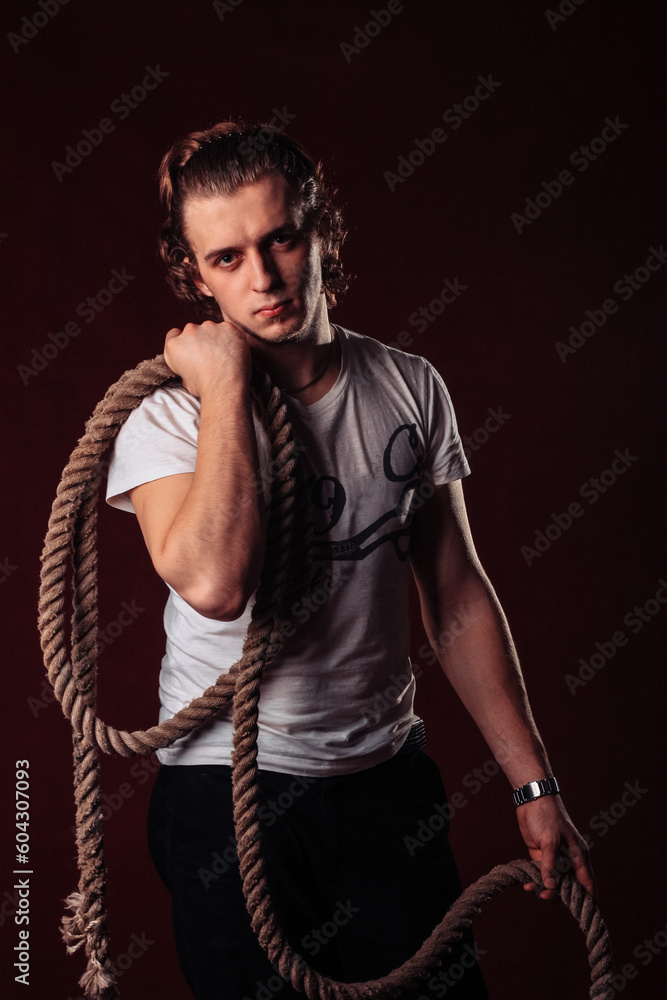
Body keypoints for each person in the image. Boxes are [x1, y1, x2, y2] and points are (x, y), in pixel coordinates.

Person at [105, 121, 595, 1000]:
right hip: (229, 792)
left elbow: (453, 598)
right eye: (224, 260)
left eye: (279, 239)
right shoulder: (171, 421)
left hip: (382, 785)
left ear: (320, 228)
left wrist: (533, 783)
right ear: (193, 274)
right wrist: (225, 388)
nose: (260, 280)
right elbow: (215, 585)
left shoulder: (409, 387)